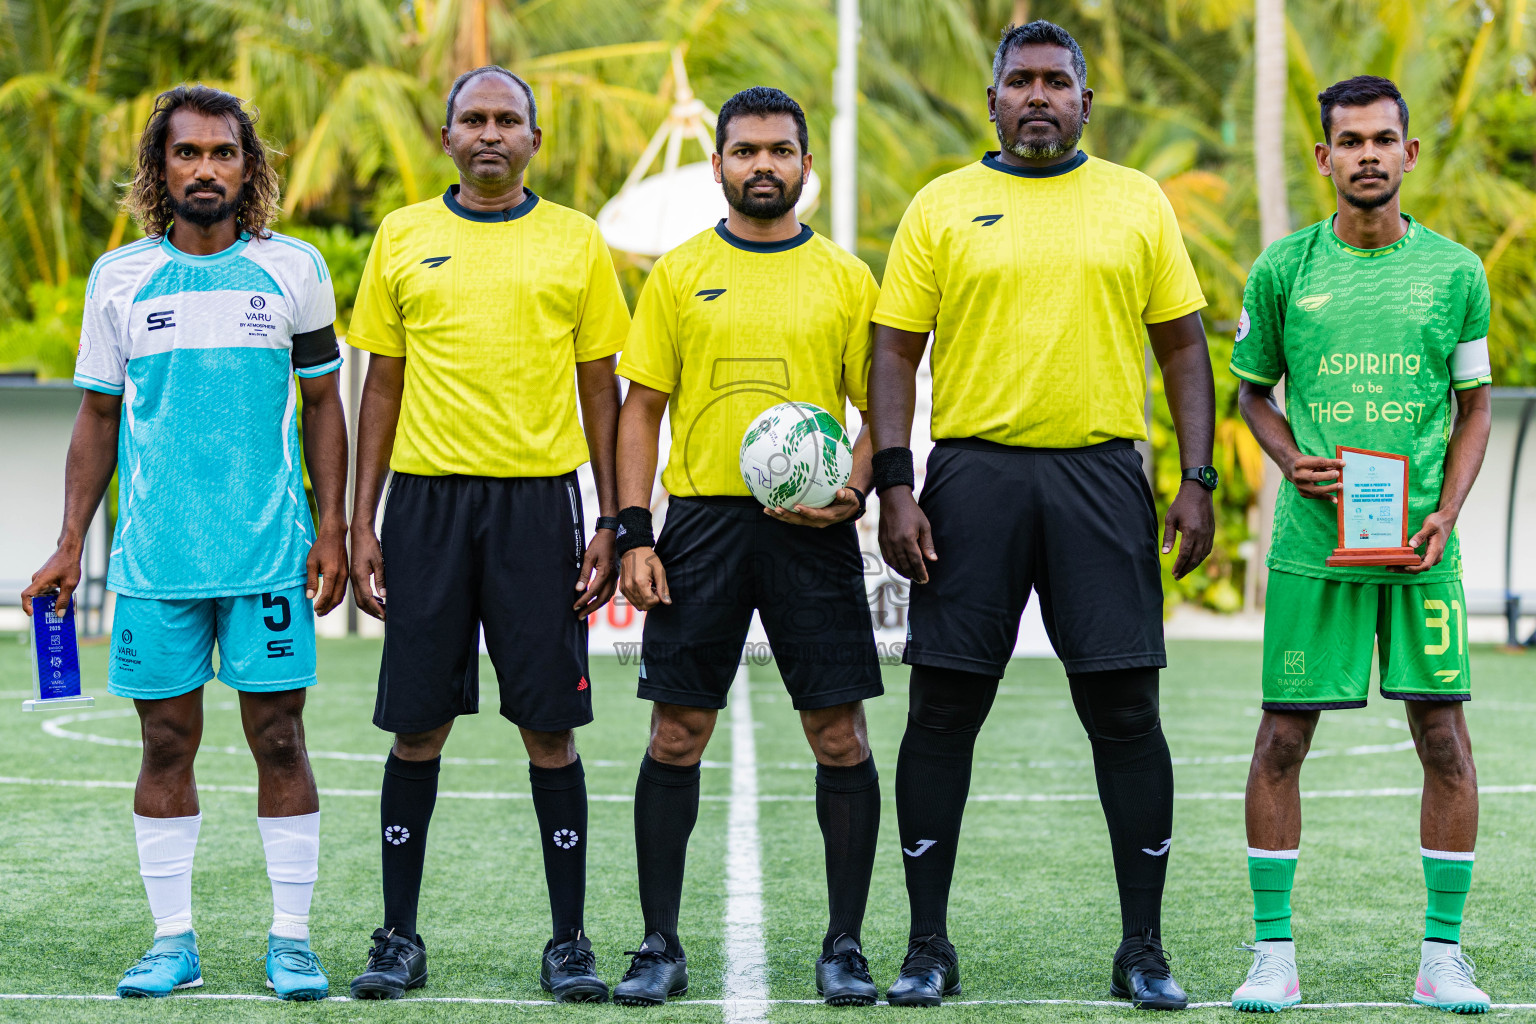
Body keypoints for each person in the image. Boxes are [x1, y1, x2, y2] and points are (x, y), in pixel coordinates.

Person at [867, 21, 1217, 1010]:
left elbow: (1185, 348)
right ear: (990, 102)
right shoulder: (942, 205)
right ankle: (928, 944)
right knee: (943, 705)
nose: (1036, 95)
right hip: (972, 478)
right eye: (1017, 80)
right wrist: (897, 481)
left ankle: (1142, 947)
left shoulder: (1136, 202)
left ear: (1084, 101)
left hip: (1102, 475)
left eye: (1055, 81)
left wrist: (1198, 478)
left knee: (1125, 707)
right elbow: (894, 352)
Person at [22, 85, 347, 1001]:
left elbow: (324, 402)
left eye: (224, 153)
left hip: (268, 556)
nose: (206, 168)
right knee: (166, 744)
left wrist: (333, 525)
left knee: (279, 738)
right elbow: (96, 415)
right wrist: (67, 542)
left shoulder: (295, 269)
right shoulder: (119, 278)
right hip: (157, 561)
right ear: (159, 169)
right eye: (187, 153)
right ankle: (174, 941)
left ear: (251, 169)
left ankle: (291, 939)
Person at [343, 65, 628, 1002]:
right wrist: (362, 520)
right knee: (416, 727)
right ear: (446, 135)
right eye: (475, 118)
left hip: (540, 508)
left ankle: (570, 941)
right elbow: (378, 384)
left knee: (549, 729)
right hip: (424, 508)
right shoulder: (403, 236)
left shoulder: (577, 242)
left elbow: (601, 389)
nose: (492, 133)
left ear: (535, 140)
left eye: (510, 120)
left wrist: (616, 522)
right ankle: (397, 938)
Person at [612, 86, 884, 1007]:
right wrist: (635, 532)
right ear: (719, 163)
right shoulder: (680, 273)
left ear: (807, 164)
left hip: (811, 531)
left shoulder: (846, 277)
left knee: (838, 736)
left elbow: (881, 412)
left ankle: (844, 946)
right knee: (676, 734)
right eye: (744, 151)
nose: (761, 165)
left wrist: (854, 487)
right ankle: (658, 945)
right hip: (702, 527)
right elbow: (640, 407)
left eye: (779, 150)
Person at [1227, 76, 1494, 1014]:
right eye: (1351, 141)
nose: (1369, 155)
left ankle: (1443, 958)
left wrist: (1447, 513)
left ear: (1409, 154)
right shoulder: (1284, 270)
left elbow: (1473, 410)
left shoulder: (1458, 273)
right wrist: (1289, 458)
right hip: (1315, 546)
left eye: (1385, 138)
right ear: (1324, 157)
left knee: (1445, 742)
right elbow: (1252, 391)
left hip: (1421, 546)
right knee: (1281, 742)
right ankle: (1271, 954)